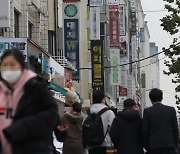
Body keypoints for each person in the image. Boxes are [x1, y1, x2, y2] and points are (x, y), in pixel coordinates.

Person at [0, 48, 58, 154]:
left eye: (12, 65)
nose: (8, 69)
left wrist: (19, 129)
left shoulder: (35, 87)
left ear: (21, 66)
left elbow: (51, 114)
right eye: (4, 65)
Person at [142, 88, 179, 154]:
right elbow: (175, 130)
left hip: (153, 146)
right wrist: (175, 145)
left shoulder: (147, 111)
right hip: (169, 146)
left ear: (150, 99)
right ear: (162, 98)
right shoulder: (171, 110)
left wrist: (147, 147)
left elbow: (145, 131)